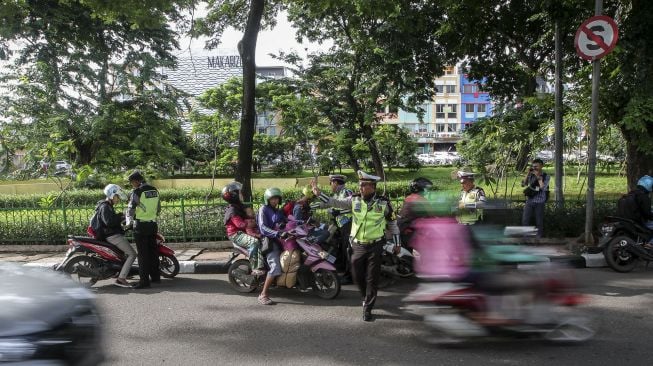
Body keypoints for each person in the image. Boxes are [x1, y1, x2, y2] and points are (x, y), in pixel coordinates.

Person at [311, 171, 401, 322]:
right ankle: (365, 296)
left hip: (376, 245)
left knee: (372, 278)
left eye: (363, 185)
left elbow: (393, 224)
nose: (360, 188)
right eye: (360, 184)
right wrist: (319, 193)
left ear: (372, 186)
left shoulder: (383, 203)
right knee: (357, 275)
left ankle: (368, 307)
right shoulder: (354, 200)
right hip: (358, 245)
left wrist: (397, 244)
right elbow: (335, 203)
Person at [310, 174, 354, 283]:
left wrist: (339, 211)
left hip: (349, 224)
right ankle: (343, 270)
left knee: (348, 250)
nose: (330, 186)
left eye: (331, 183)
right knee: (340, 248)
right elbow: (326, 204)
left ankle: (350, 277)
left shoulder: (347, 192)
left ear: (335, 183)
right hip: (341, 226)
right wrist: (309, 206)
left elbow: (352, 207)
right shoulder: (337, 194)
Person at [95, 184, 136, 288]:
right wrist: (120, 216)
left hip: (112, 234)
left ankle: (122, 272)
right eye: (117, 196)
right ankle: (121, 279)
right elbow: (109, 222)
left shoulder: (107, 206)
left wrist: (122, 217)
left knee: (124, 254)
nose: (118, 198)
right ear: (112, 195)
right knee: (132, 254)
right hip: (112, 236)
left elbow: (111, 220)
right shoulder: (105, 206)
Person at [126, 170, 161, 289]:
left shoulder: (137, 192)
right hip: (152, 225)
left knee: (142, 255)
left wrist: (128, 221)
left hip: (141, 226)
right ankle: (156, 277)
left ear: (136, 181)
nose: (132, 185)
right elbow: (158, 208)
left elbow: (130, 209)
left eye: (132, 182)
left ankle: (144, 281)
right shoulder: (154, 190)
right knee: (153, 252)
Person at [222, 182, 265, 277]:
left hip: (243, 232)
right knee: (253, 242)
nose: (241, 195)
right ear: (234, 195)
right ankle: (256, 268)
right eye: (239, 193)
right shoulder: (232, 210)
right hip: (236, 234)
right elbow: (240, 224)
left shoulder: (239, 206)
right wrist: (250, 222)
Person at [257, 187, 288, 305]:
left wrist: (301, 223)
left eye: (276, 199)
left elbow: (287, 220)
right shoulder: (263, 209)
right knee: (275, 267)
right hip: (269, 241)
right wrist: (277, 233)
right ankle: (263, 294)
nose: (275, 201)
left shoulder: (277, 210)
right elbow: (263, 228)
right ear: (267, 199)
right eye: (272, 199)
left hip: (279, 240)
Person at [398, 177, 433, 245]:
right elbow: (432, 214)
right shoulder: (421, 200)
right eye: (426, 188)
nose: (428, 191)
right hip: (407, 231)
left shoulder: (409, 197)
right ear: (420, 188)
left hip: (401, 228)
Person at [521, 159, 550, 238]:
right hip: (530, 200)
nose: (534, 168)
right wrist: (528, 173)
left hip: (540, 201)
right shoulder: (531, 174)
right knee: (525, 220)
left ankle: (538, 238)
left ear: (541, 166)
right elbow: (523, 184)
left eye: (536, 166)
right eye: (533, 166)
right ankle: (526, 237)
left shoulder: (546, 176)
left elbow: (543, 188)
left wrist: (538, 176)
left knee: (539, 221)